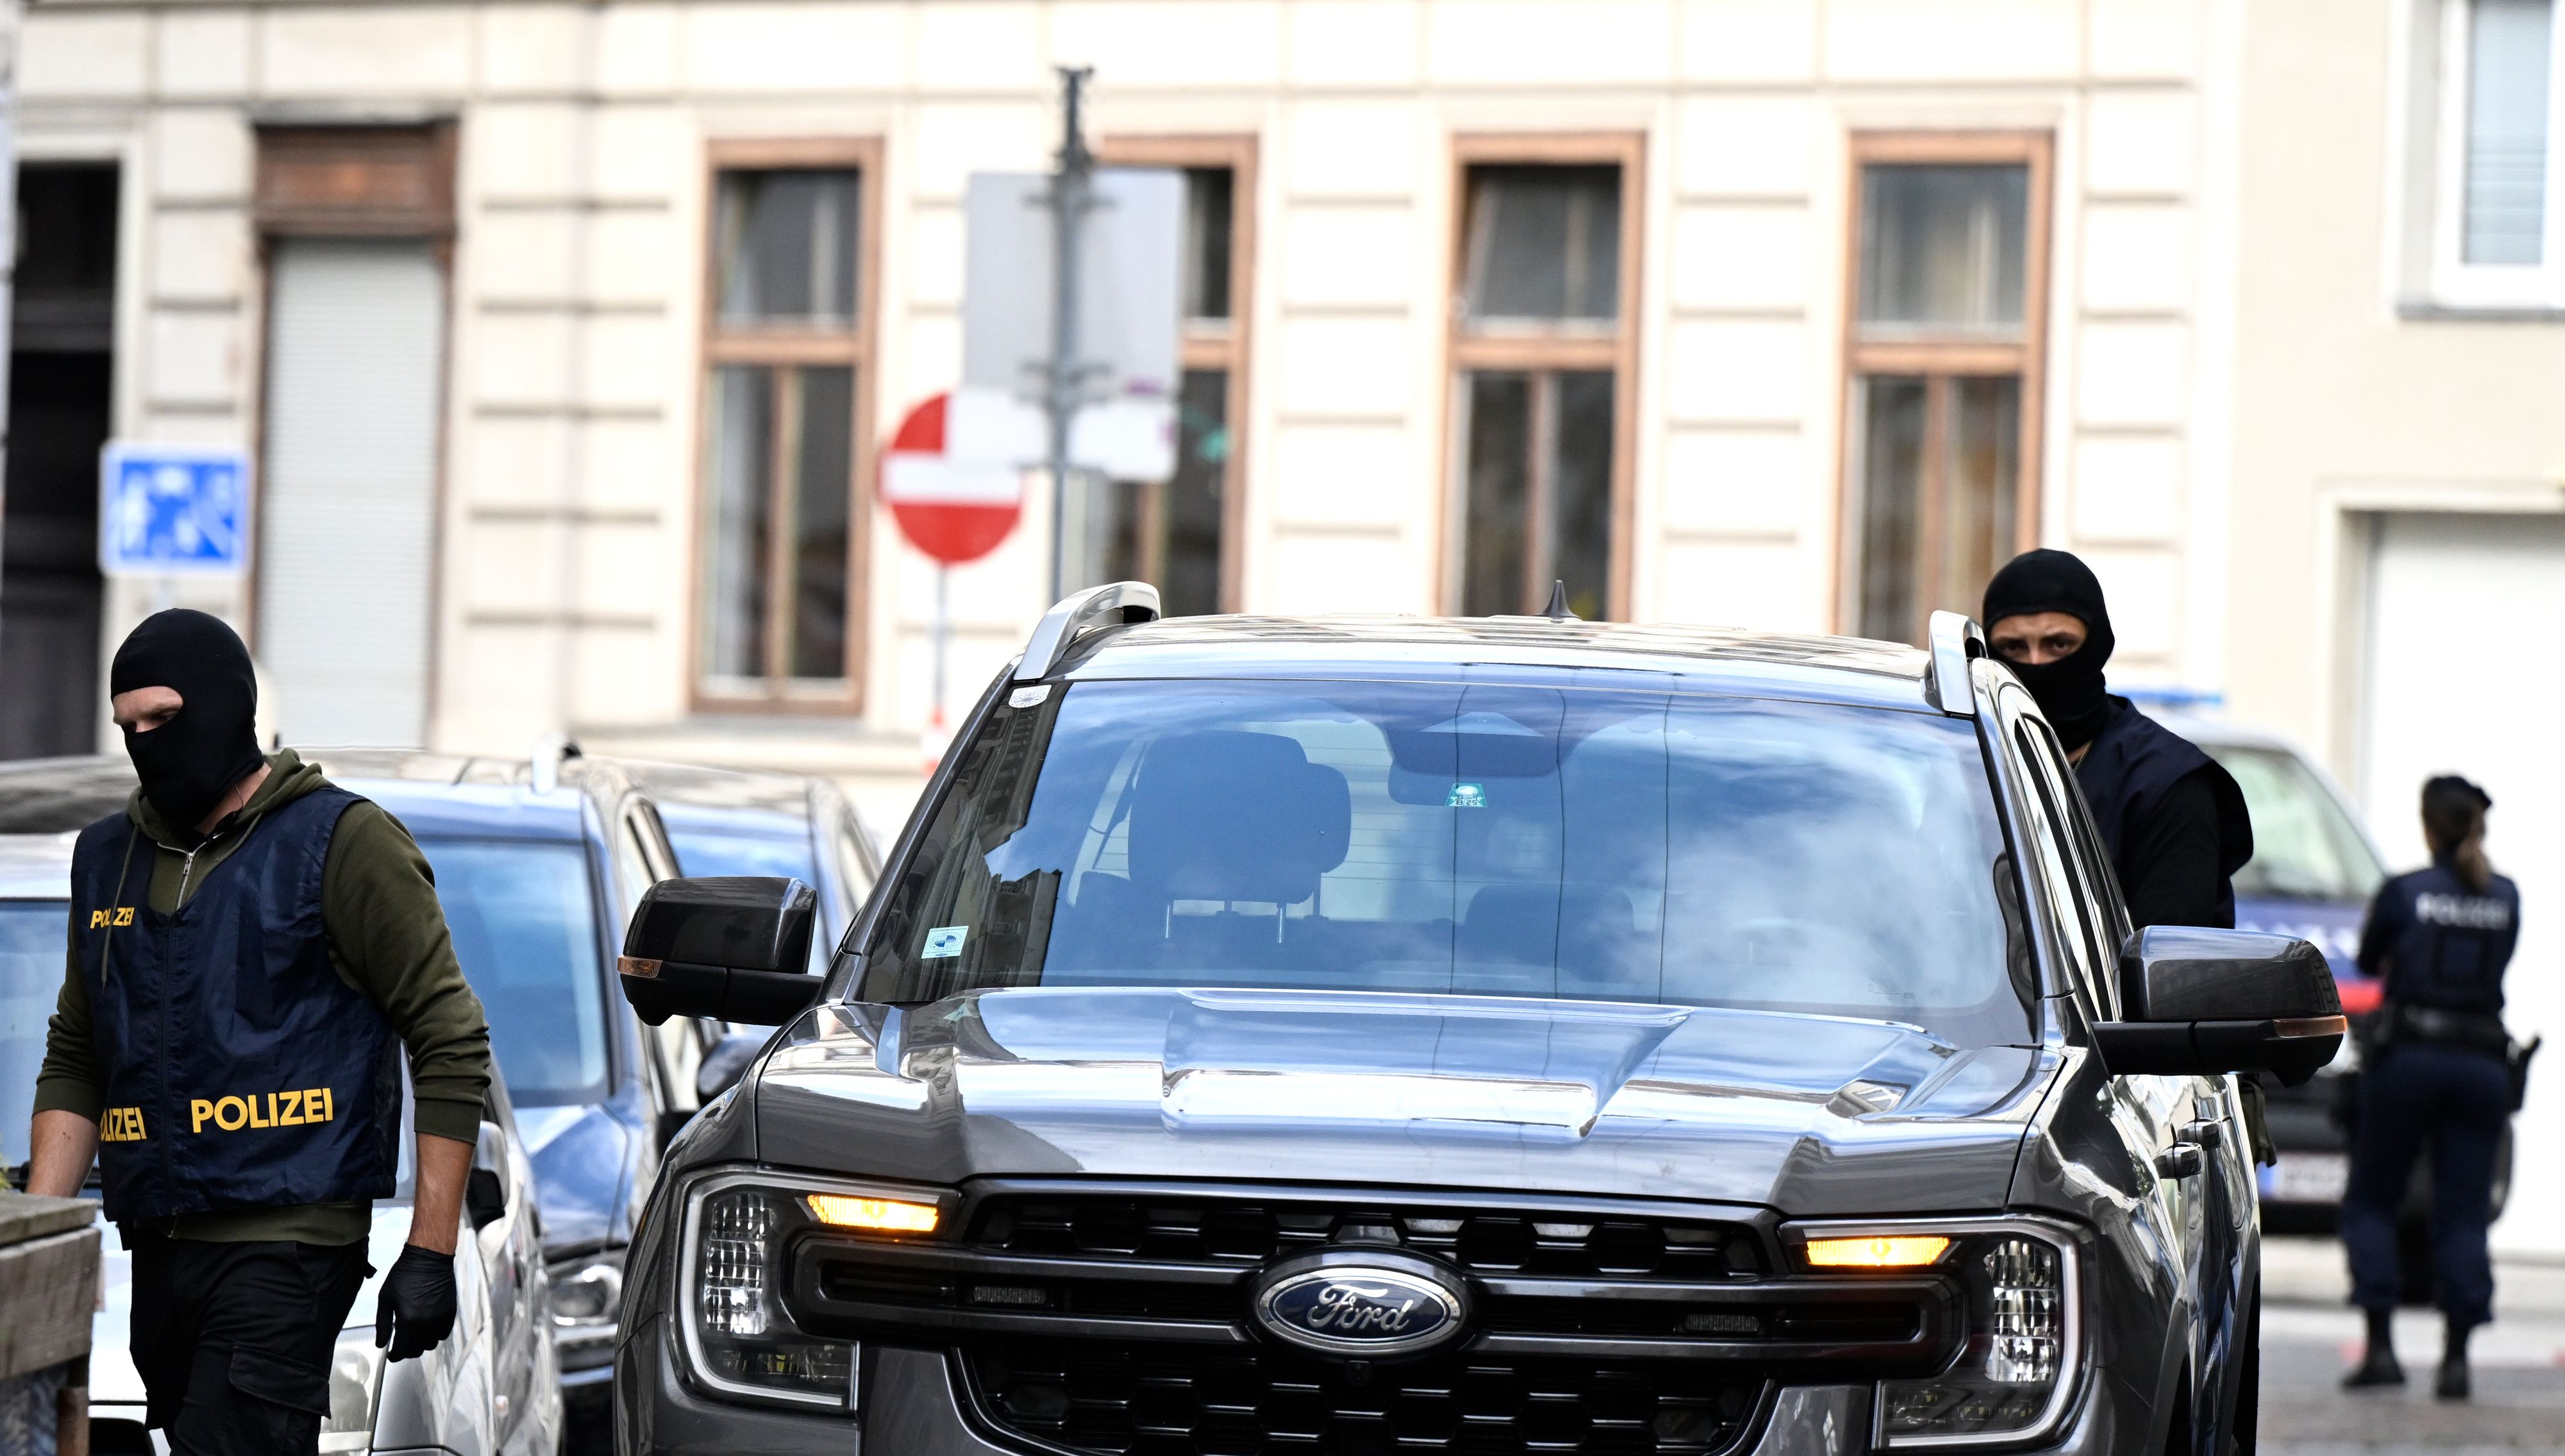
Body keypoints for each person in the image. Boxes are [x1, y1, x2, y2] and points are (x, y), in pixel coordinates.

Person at [23, 609, 492, 1454]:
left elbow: (448, 1034)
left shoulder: (342, 842)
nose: (146, 742)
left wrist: (430, 1247)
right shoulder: (107, 856)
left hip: (289, 1242)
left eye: (164, 718)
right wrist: (40, 1236)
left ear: (223, 704)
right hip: (158, 1244)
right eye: (129, 726)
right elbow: (78, 1048)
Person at [2339, 775, 2519, 1400]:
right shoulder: (2506, 896)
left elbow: (2366, 961)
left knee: (2372, 1200)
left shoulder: (2404, 892)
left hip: (2409, 1059)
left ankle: (2382, 1347)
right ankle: (2456, 1360)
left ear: (2427, 825)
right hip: (2481, 1066)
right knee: (2462, 1213)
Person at [1981, 549, 2255, 933]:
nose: (2037, 665)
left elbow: (2163, 975)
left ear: (2096, 646)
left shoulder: (2168, 785)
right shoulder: (1973, 764)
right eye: (2013, 648)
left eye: (2059, 644)